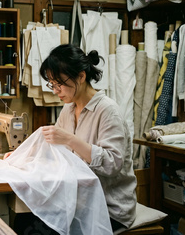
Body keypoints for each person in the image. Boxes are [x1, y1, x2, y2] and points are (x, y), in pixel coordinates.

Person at [39, 44, 137, 231]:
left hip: (109, 208)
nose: (55, 90)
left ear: (81, 77)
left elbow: (112, 164)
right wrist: (22, 156)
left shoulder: (108, 111)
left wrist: (69, 139)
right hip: (80, 200)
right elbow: (52, 146)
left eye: (59, 83)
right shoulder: (68, 109)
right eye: (52, 84)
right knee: (27, 221)